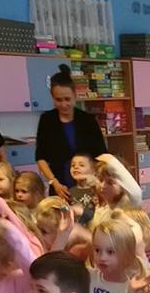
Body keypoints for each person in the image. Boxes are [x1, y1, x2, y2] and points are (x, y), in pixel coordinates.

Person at [35, 65, 107, 202]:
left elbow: (102, 155)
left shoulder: (88, 120)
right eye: (58, 100)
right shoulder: (46, 120)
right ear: (52, 98)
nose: (63, 104)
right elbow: (41, 157)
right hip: (59, 186)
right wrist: (54, 182)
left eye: (67, 99)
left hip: (88, 185)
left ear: (75, 96)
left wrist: (97, 182)